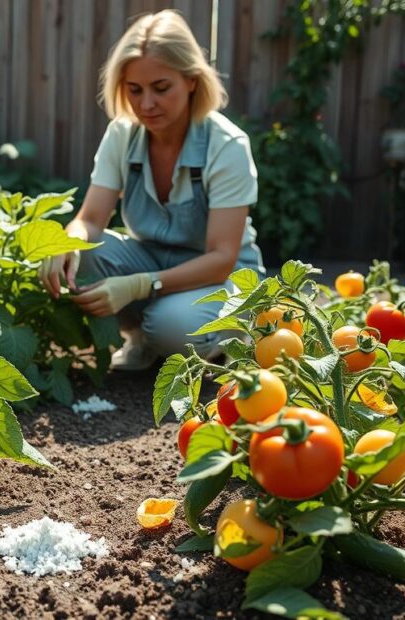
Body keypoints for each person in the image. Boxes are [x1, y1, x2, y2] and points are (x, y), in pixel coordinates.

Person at [38, 10, 264, 371]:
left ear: (191, 80)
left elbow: (222, 258)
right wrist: (66, 243)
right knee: (85, 256)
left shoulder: (226, 145)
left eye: (161, 88)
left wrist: (138, 285)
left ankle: (232, 335)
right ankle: (146, 339)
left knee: (171, 325)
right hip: (152, 262)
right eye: (134, 90)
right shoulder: (122, 134)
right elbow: (92, 219)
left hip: (221, 278)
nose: (145, 105)